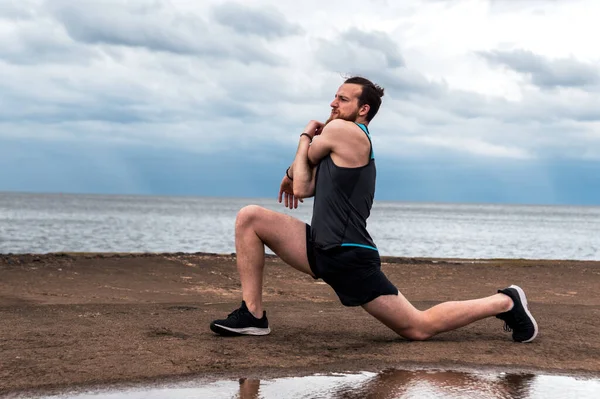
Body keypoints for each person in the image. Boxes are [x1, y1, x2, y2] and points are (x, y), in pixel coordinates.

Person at [209, 76, 538, 343]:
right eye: (334, 97)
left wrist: (306, 134)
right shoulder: (340, 138)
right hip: (320, 246)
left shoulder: (345, 131)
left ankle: (506, 301)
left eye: (342, 99)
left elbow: (300, 177)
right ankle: (252, 315)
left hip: (348, 254)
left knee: (417, 328)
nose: (332, 104)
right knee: (250, 218)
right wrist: (293, 170)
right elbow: (306, 187)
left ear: (363, 109)